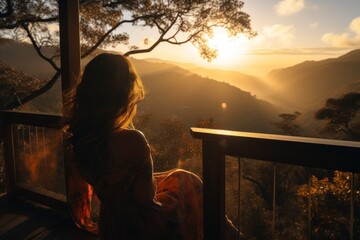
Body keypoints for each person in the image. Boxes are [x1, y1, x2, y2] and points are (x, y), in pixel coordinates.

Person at [65, 53, 204, 239]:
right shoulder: (133, 140)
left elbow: (113, 181)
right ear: (123, 93)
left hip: (112, 226)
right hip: (142, 229)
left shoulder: (80, 140)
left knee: (180, 177)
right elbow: (145, 199)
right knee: (186, 181)